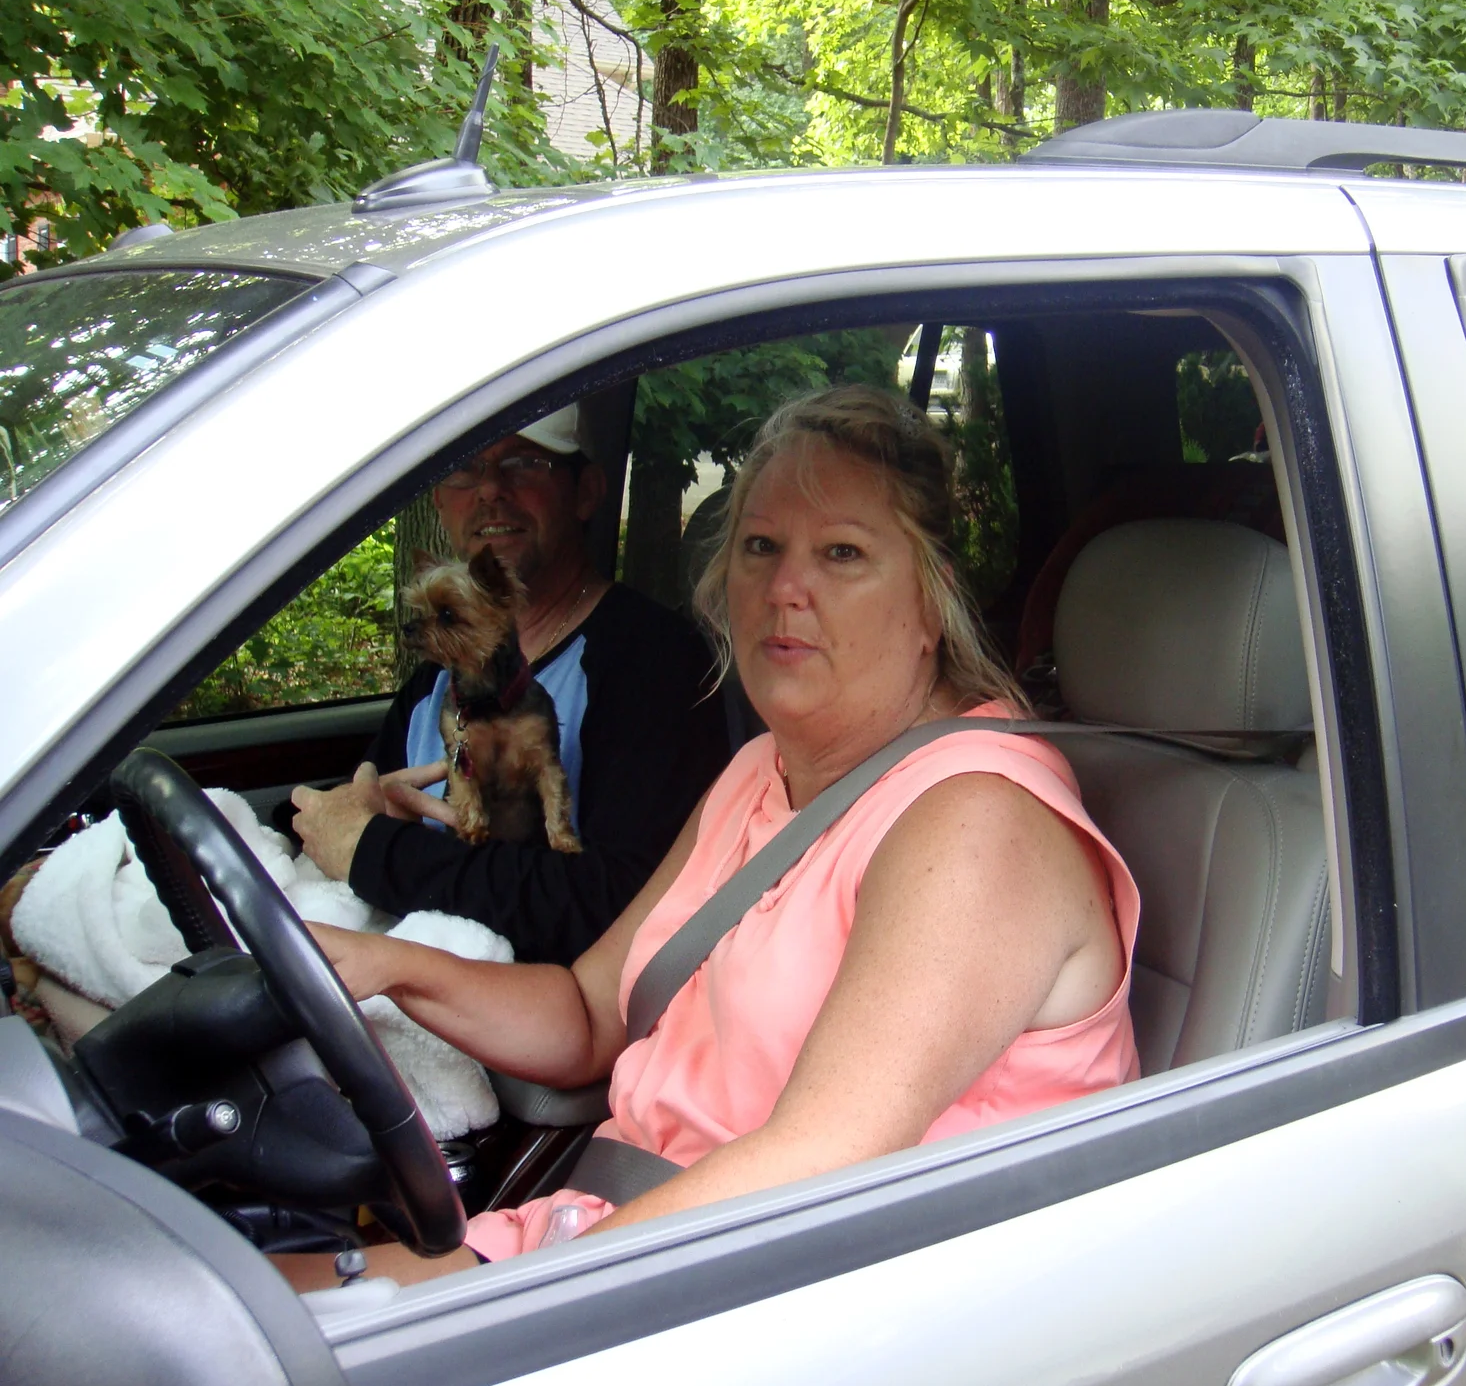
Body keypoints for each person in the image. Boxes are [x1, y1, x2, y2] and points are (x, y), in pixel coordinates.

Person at [283, 384, 1140, 1287]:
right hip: (634, 1244)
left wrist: (517, 1303)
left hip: (805, 1295)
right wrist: (383, 967)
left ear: (932, 601)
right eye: (761, 547)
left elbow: (819, 1163)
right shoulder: (759, 774)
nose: (784, 589)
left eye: (842, 553)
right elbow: (587, 1015)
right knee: (229, 1313)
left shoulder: (979, 821)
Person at [289, 405, 729, 965]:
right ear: (439, 502)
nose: (490, 489)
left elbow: (613, 904)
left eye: (523, 462)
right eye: (464, 467)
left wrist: (378, 851)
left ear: (586, 492)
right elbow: (349, 815)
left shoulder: (653, 661)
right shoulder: (438, 678)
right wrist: (362, 821)